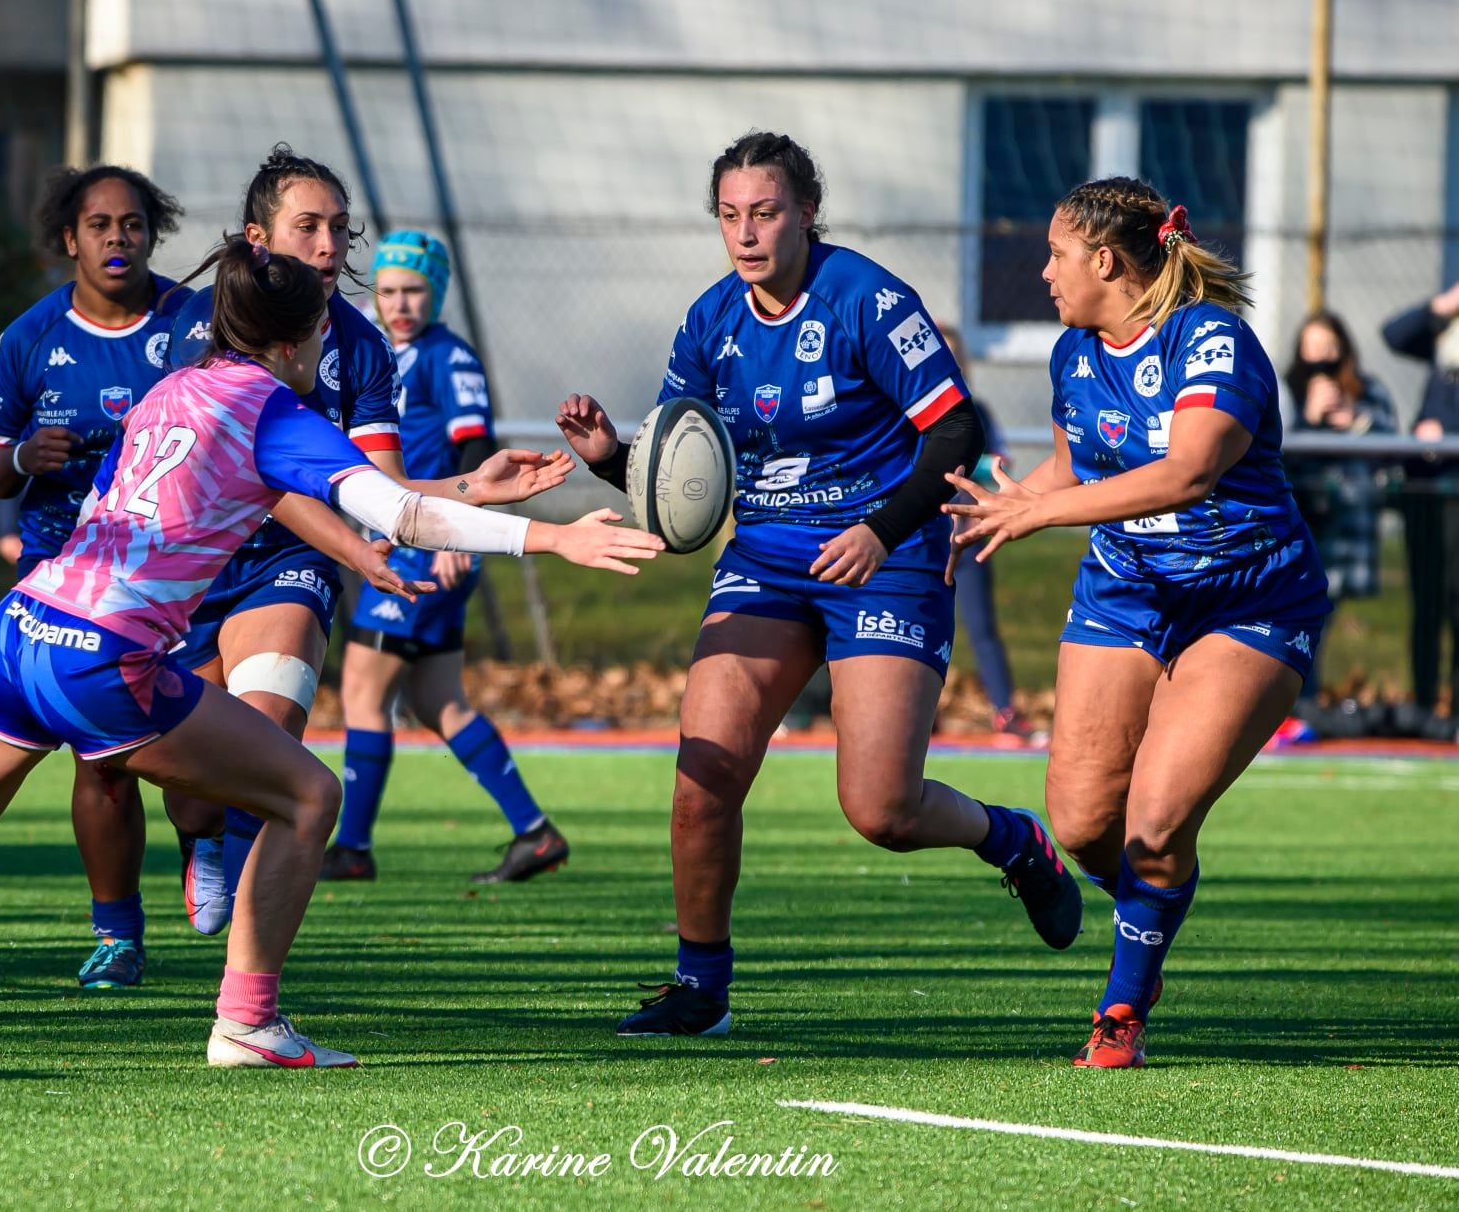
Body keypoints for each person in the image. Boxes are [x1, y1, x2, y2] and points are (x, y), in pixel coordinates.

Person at [0, 238, 663, 1065]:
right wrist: (556, 535)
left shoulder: (175, 388)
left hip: (20, 629)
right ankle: (247, 1020)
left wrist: (469, 488)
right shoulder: (276, 412)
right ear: (296, 340)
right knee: (308, 795)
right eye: (323, 333)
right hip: (101, 659)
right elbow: (397, 514)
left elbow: (311, 495)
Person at [557, 131, 1082, 1039]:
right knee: (703, 776)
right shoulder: (709, 321)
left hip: (886, 554)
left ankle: (1012, 839)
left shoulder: (866, 300)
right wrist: (613, 460)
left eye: (764, 213)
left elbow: (955, 430)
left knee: (881, 808)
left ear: (805, 212)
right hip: (766, 560)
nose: (745, 233)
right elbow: (687, 476)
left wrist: (879, 530)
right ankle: (700, 988)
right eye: (729, 215)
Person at [944, 179, 1332, 1067]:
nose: (1044, 273)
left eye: (1055, 255)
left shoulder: (1211, 340)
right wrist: (997, 505)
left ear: (1105, 261)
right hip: (1124, 589)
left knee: (1155, 822)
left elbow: (1187, 471)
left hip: (1248, 600)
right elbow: (1072, 466)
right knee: (1083, 823)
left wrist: (1044, 514)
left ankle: (1123, 1001)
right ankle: (1149, 910)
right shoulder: (1073, 352)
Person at [160, 145, 406, 933]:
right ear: (257, 239)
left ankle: (245, 967)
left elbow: (384, 489)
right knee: (193, 786)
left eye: (339, 227)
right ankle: (198, 839)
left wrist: (476, 490)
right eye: (308, 227)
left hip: (291, 563)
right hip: (196, 564)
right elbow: (236, 470)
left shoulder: (362, 346)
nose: (329, 246)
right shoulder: (192, 325)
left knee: (267, 732)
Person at [0, 164, 190, 989]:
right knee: (101, 762)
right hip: (68, 576)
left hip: (176, 572)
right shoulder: (29, 338)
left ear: (151, 235)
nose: (117, 239)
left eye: (132, 224)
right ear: (70, 238)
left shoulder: (191, 322)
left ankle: (205, 842)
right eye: (100, 225)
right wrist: (25, 456)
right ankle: (117, 934)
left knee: (199, 776)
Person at [329, 231, 568, 884]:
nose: (399, 303)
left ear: (435, 293)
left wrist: (462, 535)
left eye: (413, 290)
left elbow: (475, 450)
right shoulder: (375, 347)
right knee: (440, 700)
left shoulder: (447, 356)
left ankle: (352, 848)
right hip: (411, 541)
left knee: (362, 690)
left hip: (425, 547)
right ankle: (534, 832)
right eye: (387, 291)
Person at [1282, 311, 1396, 697]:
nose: (1321, 358)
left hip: (1350, 526)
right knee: (1303, 617)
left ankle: (1312, 699)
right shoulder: (1289, 392)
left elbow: (1393, 445)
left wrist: (1355, 422)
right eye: (1312, 348)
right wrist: (1310, 420)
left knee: (1323, 616)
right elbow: (1279, 458)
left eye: (1329, 347)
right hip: (1303, 523)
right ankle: (1302, 700)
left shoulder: (1367, 391)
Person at [938, 323, 1032, 739]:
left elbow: (999, 464)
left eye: (955, 355)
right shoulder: (906, 410)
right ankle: (918, 710)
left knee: (981, 627)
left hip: (968, 535)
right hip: (922, 539)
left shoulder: (978, 413)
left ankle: (1005, 711)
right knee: (916, 624)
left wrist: (958, 469)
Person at [1381, 281, 1459, 715]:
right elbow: (1395, 334)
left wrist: (1446, 434)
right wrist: (1444, 304)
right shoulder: (1445, 346)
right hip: (1426, 487)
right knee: (1426, 601)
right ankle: (1425, 704)